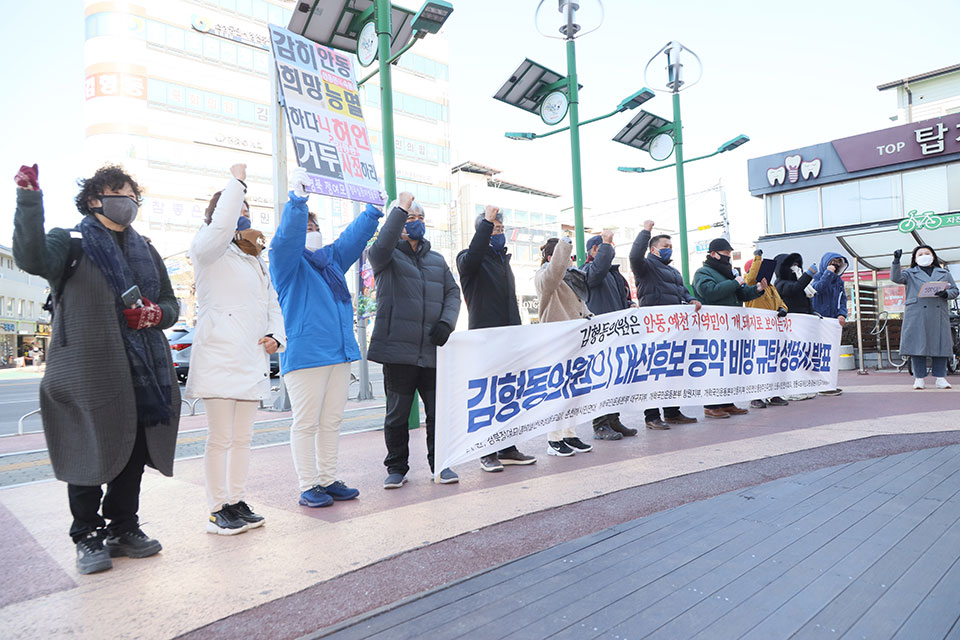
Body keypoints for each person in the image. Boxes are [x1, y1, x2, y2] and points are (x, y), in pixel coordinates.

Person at [13, 163, 180, 574]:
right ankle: (87, 532)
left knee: (134, 450)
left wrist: (156, 314)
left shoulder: (148, 248)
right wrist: (29, 199)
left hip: (141, 369)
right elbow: (29, 257)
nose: (130, 203)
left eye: (134, 197)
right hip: (87, 367)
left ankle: (123, 527)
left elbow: (172, 305)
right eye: (121, 194)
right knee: (88, 445)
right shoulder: (68, 242)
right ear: (94, 199)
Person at [269, 168, 381, 507]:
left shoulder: (330, 260)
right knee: (305, 423)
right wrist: (298, 204)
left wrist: (373, 211)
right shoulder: (286, 263)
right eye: (307, 228)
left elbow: (353, 238)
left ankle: (327, 479)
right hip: (305, 354)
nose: (311, 232)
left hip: (338, 353)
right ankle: (308, 485)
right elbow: (286, 239)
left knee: (331, 421)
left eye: (315, 227)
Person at [187, 163, 286, 535]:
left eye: (247, 211)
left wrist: (276, 335)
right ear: (220, 213)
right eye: (237, 209)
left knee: (243, 438)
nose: (243, 216)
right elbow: (222, 224)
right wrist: (238, 183)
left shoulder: (253, 258)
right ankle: (217, 508)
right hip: (218, 354)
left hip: (250, 357)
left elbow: (271, 303)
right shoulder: (206, 248)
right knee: (220, 438)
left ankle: (236, 500)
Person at [367, 192, 461, 488]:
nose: (416, 223)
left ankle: (440, 464)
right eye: (410, 218)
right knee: (397, 415)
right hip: (398, 351)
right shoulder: (385, 256)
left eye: (420, 219)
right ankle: (396, 467)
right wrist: (399, 208)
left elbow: (452, 293)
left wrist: (447, 322)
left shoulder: (437, 260)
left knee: (437, 413)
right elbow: (381, 244)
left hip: (432, 352)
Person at [456, 205, 536, 472]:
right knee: (489, 398)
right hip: (486, 338)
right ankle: (487, 451)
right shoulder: (468, 259)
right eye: (493, 228)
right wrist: (486, 223)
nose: (498, 232)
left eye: (501, 229)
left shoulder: (504, 262)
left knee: (510, 394)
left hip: (510, 338)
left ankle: (508, 448)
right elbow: (474, 254)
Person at [629, 220, 701, 429]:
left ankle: (672, 412)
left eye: (670, 247)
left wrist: (691, 300)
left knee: (671, 371)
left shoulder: (674, 271)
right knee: (653, 373)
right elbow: (634, 256)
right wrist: (645, 231)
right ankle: (652, 417)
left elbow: (683, 292)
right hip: (653, 329)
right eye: (664, 247)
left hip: (673, 329)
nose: (669, 250)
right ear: (653, 250)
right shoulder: (645, 267)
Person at [693, 238, 765, 419]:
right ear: (713, 254)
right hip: (713, 328)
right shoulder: (703, 272)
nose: (728, 258)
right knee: (714, 366)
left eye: (729, 255)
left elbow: (741, 294)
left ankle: (727, 402)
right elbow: (709, 292)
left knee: (729, 366)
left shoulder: (728, 273)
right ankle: (711, 405)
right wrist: (735, 282)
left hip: (731, 327)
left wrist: (757, 289)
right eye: (725, 254)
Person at [536, 236, 593, 456]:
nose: (571, 261)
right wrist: (565, 244)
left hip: (576, 342)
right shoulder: (544, 276)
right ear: (553, 257)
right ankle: (553, 439)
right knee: (557, 392)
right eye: (567, 257)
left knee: (574, 391)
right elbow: (553, 274)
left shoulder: (571, 279)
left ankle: (570, 433)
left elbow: (581, 308)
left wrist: (590, 318)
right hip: (556, 343)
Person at [582, 232, 637, 439]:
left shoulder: (613, 275)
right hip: (600, 336)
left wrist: (628, 305)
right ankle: (600, 425)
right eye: (606, 247)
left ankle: (613, 419)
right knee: (602, 380)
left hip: (616, 334)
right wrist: (605, 243)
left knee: (615, 379)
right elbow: (596, 274)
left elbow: (620, 299)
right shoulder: (588, 270)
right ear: (595, 250)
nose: (611, 250)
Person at [891, 246, 958, 389]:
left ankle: (940, 378)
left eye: (927, 253)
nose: (924, 256)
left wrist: (946, 294)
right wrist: (896, 261)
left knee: (940, 345)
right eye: (920, 254)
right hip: (917, 313)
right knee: (917, 345)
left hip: (938, 312)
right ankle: (919, 378)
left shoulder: (944, 273)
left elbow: (955, 290)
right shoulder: (909, 273)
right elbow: (896, 278)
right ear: (915, 259)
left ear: (933, 256)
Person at [742, 249, 789, 409]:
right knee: (757, 363)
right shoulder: (749, 286)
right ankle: (755, 396)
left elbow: (781, 301)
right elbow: (751, 277)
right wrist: (757, 259)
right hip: (756, 331)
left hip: (772, 331)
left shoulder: (771, 287)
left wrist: (783, 309)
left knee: (773, 363)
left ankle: (773, 393)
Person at [773, 252, 819, 401]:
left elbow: (806, 298)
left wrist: (812, 314)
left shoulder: (803, 285)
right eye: (792, 265)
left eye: (797, 264)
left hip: (804, 325)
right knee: (792, 357)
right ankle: (790, 390)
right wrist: (808, 275)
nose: (795, 267)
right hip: (790, 327)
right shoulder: (780, 284)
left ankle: (802, 386)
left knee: (803, 357)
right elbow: (795, 288)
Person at [811, 252, 849, 397]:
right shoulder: (817, 277)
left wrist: (842, 314)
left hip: (833, 321)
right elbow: (817, 289)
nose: (836, 265)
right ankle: (820, 384)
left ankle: (829, 383)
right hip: (819, 320)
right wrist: (828, 273)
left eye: (839, 262)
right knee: (819, 354)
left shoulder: (839, 282)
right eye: (833, 262)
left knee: (831, 354)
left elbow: (843, 299)